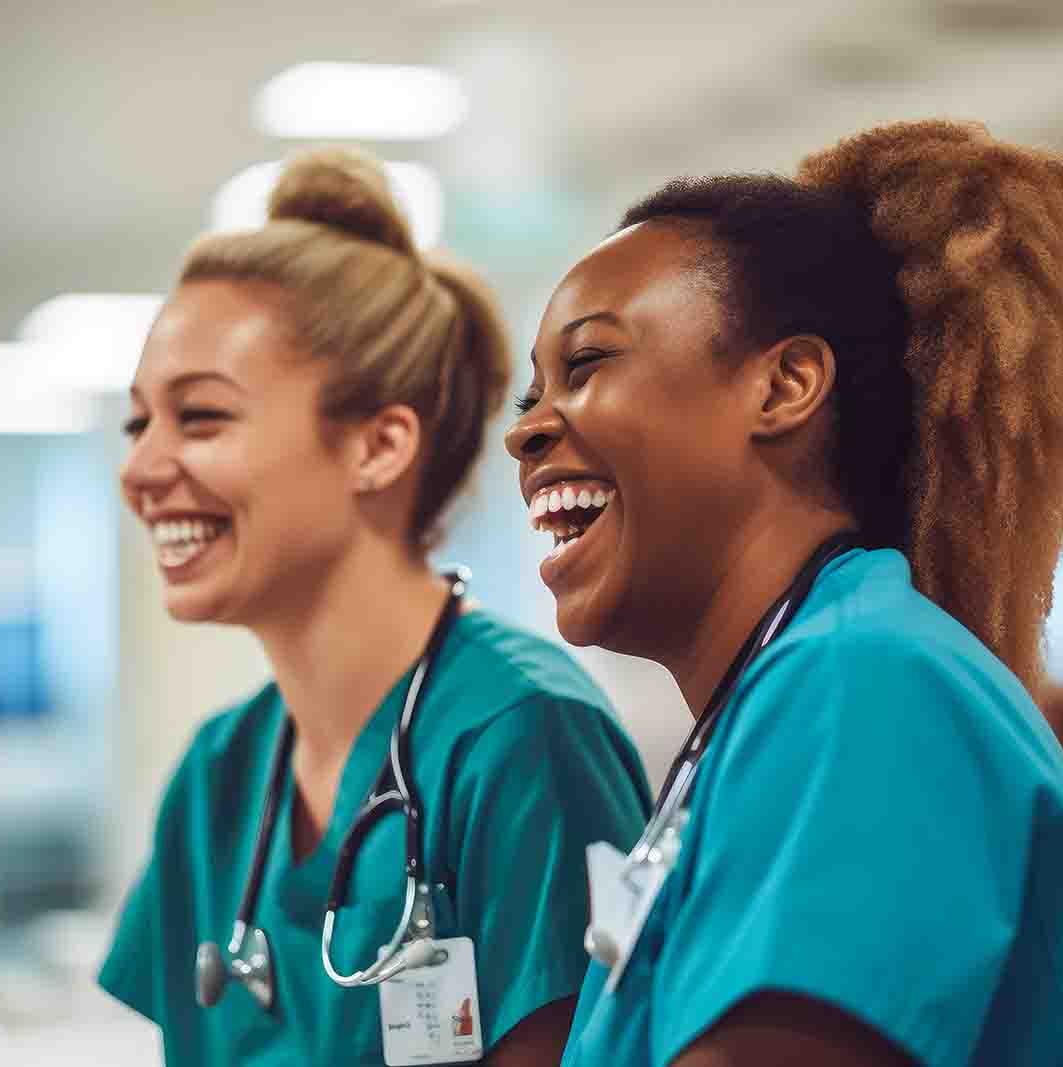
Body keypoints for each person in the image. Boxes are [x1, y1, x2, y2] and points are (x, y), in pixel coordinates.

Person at [505, 120, 1063, 1066]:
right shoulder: (779, 701)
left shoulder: (865, 683)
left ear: (785, 386)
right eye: (531, 397)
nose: (525, 433)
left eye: (586, 364)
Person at [102, 146, 651, 1065]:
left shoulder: (522, 738)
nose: (141, 468)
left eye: (200, 416)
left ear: (378, 445)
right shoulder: (216, 780)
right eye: (137, 422)